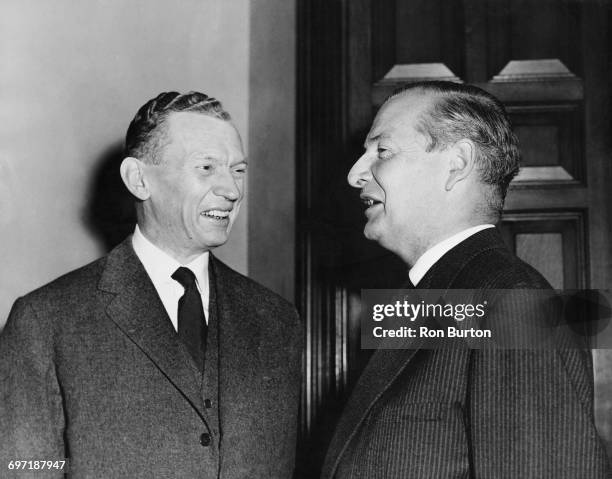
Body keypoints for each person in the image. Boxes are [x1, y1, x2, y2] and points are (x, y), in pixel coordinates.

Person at [0, 91, 302, 478]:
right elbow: (25, 467)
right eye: (207, 167)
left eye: (238, 170)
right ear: (139, 179)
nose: (232, 190)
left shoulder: (277, 320)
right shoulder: (46, 321)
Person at [321, 82, 610, 478]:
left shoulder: (515, 303)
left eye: (382, 151)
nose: (355, 174)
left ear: (456, 164)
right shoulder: (424, 297)